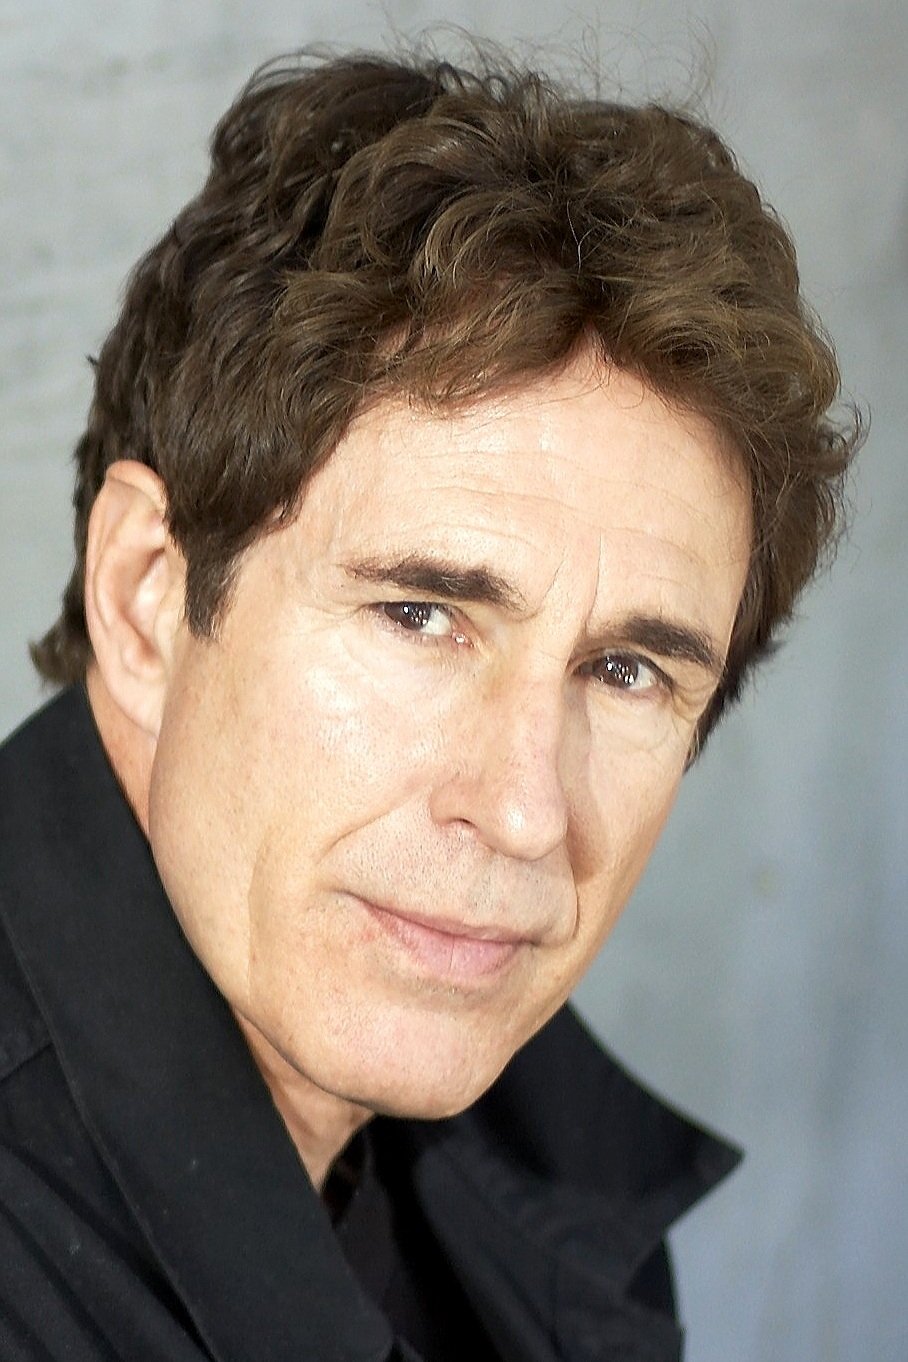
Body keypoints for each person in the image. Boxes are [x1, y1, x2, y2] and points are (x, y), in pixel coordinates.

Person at [0, 46, 860, 1362]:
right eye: (420, 615)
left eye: (624, 670)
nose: (523, 810)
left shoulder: (515, 1168)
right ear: (144, 596)